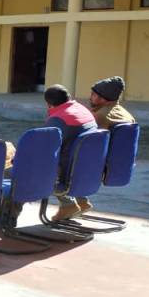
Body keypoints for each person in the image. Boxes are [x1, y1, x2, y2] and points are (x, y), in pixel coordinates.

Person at [43, 84, 97, 221]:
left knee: (37, 166)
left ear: (48, 104)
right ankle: (82, 201)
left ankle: (68, 205)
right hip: (89, 168)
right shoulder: (83, 110)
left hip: (68, 172)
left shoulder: (58, 119)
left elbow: (45, 149)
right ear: (69, 97)